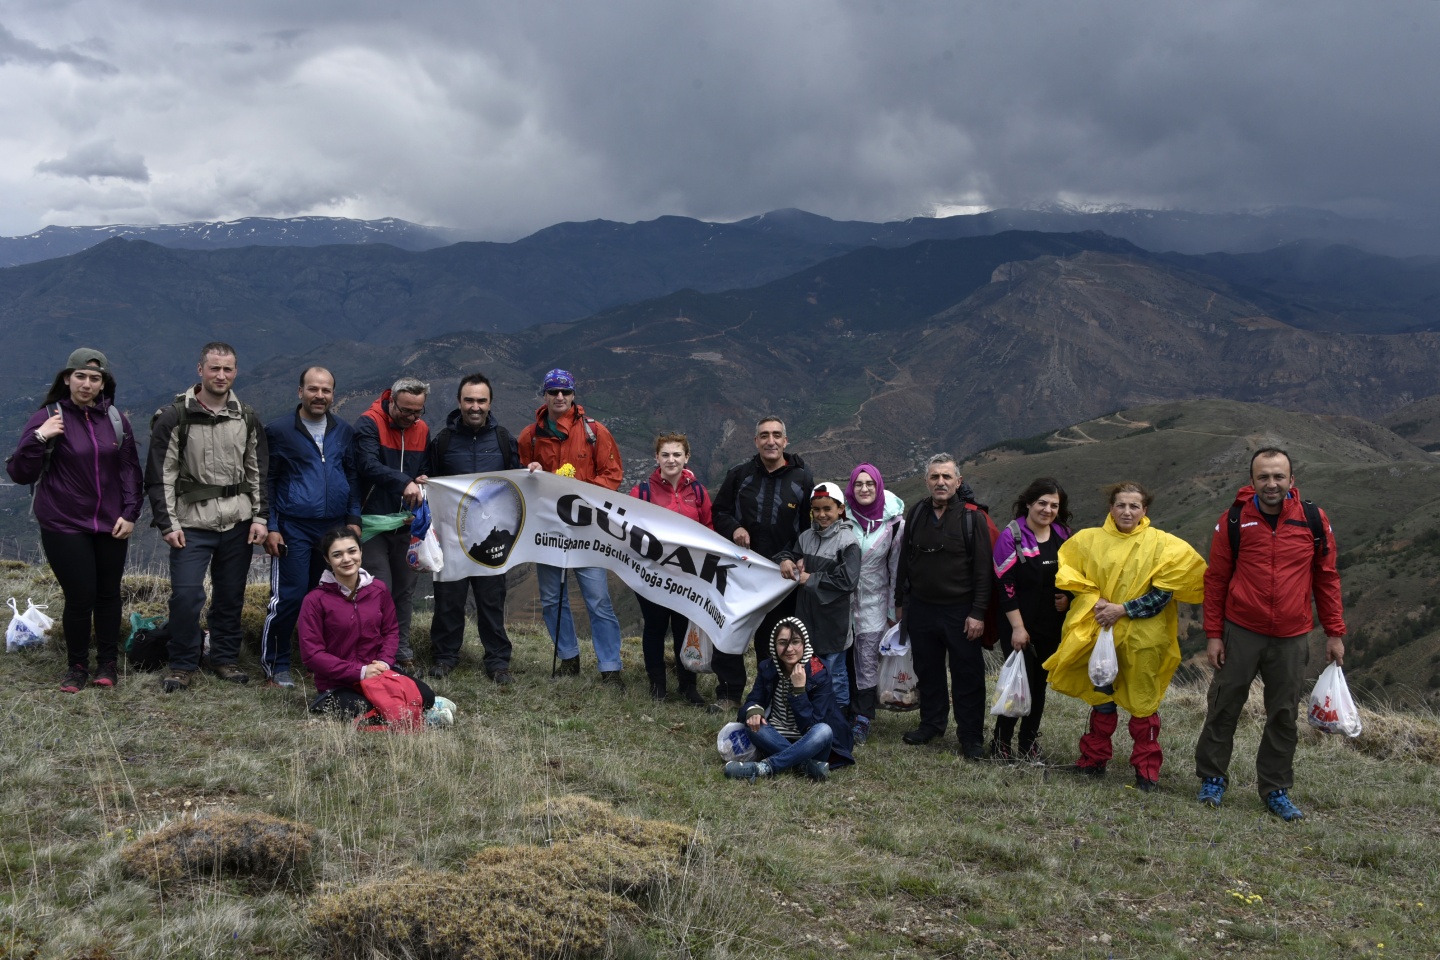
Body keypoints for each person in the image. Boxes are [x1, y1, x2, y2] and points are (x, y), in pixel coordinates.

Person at [1194, 449, 1345, 821]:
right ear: (1252, 481)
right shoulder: (1233, 520)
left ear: (1291, 480)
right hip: (1241, 630)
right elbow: (1215, 580)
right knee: (1224, 705)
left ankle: (1275, 789)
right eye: (1264, 477)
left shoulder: (1312, 519)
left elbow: (1326, 578)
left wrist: (1334, 632)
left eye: (1279, 476)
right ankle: (1212, 778)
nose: (1271, 484)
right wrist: (1214, 634)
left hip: (1293, 635)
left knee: (1282, 714)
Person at [1043, 481, 1206, 790]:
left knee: (1143, 706)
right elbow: (1073, 577)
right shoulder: (1089, 541)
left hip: (1143, 640)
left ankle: (1146, 772)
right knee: (1102, 698)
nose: (1127, 511)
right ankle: (1093, 760)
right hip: (1101, 633)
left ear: (1145, 510)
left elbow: (1162, 596)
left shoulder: (1163, 545)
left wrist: (1122, 610)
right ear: (1111, 508)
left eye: (1134, 506)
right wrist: (1095, 601)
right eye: (1121, 505)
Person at [6, 348, 142, 692]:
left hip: (111, 523)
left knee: (109, 595)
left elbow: (128, 468)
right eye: (79, 376)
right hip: (64, 524)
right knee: (81, 596)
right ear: (67, 379)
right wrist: (40, 437)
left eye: (94, 378)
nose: (86, 383)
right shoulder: (48, 417)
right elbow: (21, 472)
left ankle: (107, 664)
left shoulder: (114, 419)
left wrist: (130, 513)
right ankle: (77, 666)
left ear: (103, 383)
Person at [146, 342, 268, 693]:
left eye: (227, 369)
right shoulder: (174, 417)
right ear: (200, 369)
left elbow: (257, 470)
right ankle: (183, 662)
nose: (220, 375)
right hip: (191, 523)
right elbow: (161, 474)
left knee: (230, 594)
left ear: (235, 372)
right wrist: (167, 524)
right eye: (214, 368)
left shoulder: (246, 417)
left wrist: (260, 517)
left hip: (238, 520)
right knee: (186, 596)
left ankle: (224, 657)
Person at [518, 368, 625, 683]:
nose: (560, 397)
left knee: (598, 597)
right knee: (551, 598)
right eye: (553, 392)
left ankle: (610, 666)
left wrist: (582, 493)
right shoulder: (530, 436)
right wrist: (531, 471)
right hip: (547, 529)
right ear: (545, 396)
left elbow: (612, 473)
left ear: (574, 394)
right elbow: (520, 480)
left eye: (565, 391)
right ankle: (568, 657)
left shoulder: (595, 432)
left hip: (587, 529)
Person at [259, 367, 361, 689]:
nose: (320, 396)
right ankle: (277, 665)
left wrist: (353, 519)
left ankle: (322, 660)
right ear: (300, 391)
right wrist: (272, 525)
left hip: (333, 528)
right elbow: (269, 481)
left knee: (328, 596)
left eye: (326, 390)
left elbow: (352, 477)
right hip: (293, 527)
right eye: (313, 389)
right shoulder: (278, 431)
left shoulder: (343, 431)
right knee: (289, 597)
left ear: (333, 394)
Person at [893, 454, 994, 758]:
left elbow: (983, 571)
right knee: (928, 669)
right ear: (927, 481)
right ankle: (932, 723)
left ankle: (971, 736)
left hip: (961, 611)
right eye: (935, 477)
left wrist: (978, 613)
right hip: (922, 608)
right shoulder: (918, 513)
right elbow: (904, 563)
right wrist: (900, 604)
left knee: (968, 675)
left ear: (958, 482)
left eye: (947, 477)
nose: (940, 482)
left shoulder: (972, 518)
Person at [711, 416, 814, 711]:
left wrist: (796, 557)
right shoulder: (739, 475)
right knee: (732, 629)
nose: (771, 441)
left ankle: (770, 696)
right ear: (755, 441)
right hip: (740, 572)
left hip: (780, 577)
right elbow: (719, 511)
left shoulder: (803, 479)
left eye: (777, 435)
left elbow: (810, 525)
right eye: (765, 435)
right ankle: (729, 694)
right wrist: (734, 528)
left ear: (785, 441)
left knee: (774, 637)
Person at [426, 373, 521, 683]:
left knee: (491, 600)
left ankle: (497, 661)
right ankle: (444, 656)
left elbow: (517, 483)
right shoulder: (443, 441)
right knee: (448, 599)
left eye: (481, 400)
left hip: (493, 535)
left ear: (490, 402)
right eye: (469, 400)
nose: (475, 406)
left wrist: (531, 474)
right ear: (459, 402)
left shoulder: (504, 439)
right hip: (453, 537)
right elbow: (430, 482)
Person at [297, 528, 436, 717]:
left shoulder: (378, 590)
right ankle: (327, 701)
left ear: (361, 552)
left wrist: (385, 663)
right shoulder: (314, 600)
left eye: (352, 551)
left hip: (379, 673)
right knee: (365, 709)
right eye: (337, 555)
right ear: (328, 560)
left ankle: (404, 708)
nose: (346, 559)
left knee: (426, 696)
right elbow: (312, 654)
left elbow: (390, 631)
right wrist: (360, 671)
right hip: (337, 682)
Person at [989, 478, 1073, 761]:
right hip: (1018, 625)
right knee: (1018, 684)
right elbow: (1005, 585)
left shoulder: (1063, 535)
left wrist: (1067, 598)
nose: (1048, 510)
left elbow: (1073, 577)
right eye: (1042, 503)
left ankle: (1028, 743)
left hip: (1050, 625)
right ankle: (1001, 743)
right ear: (1028, 503)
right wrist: (1018, 628)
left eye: (1054, 505)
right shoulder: (1012, 536)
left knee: (1039, 686)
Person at [629, 432, 713, 703]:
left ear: (686, 457)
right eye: (665, 454)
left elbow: (709, 530)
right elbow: (629, 531)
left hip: (688, 576)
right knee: (654, 627)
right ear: (656, 458)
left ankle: (688, 685)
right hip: (653, 575)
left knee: (683, 629)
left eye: (677, 454)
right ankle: (657, 685)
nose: (671, 459)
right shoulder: (641, 492)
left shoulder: (698, 492)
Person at [354, 377, 431, 672]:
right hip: (372, 522)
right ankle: (374, 653)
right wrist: (404, 483)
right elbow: (367, 466)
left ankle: (401, 650)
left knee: (405, 589)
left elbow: (421, 467)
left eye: (417, 412)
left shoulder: (421, 430)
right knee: (379, 587)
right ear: (391, 401)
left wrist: (422, 478)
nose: (411, 418)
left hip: (405, 522)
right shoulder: (369, 423)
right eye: (405, 411)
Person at [724, 617, 855, 781]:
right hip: (777, 737)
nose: (789, 649)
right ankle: (806, 766)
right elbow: (752, 701)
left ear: (804, 644)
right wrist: (754, 711)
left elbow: (812, 726)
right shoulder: (768, 667)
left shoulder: (818, 672)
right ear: (774, 645)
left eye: (795, 642)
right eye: (782, 642)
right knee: (753, 726)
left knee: (824, 731)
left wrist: (799, 691)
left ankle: (764, 768)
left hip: (811, 742)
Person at [776, 482, 860, 711]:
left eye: (827, 509)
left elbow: (848, 581)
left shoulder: (848, 542)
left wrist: (809, 579)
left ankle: (840, 714)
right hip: (807, 617)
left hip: (834, 622)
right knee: (810, 667)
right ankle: (815, 712)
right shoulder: (806, 537)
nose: (822, 515)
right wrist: (785, 559)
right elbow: (790, 553)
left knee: (835, 671)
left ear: (840, 509)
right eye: (817, 509)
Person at [845, 463, 904, 745]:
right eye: (859, 484)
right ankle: (842, 710)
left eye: (870, 484)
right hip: (841, 603)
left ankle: (863, 717)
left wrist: (893, 611)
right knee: (842, 659)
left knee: (867, 662)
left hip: (874, 602)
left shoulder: (893, 524)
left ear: (879, 486)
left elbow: (895, 570)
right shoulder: (840, 516)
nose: (864, 489)